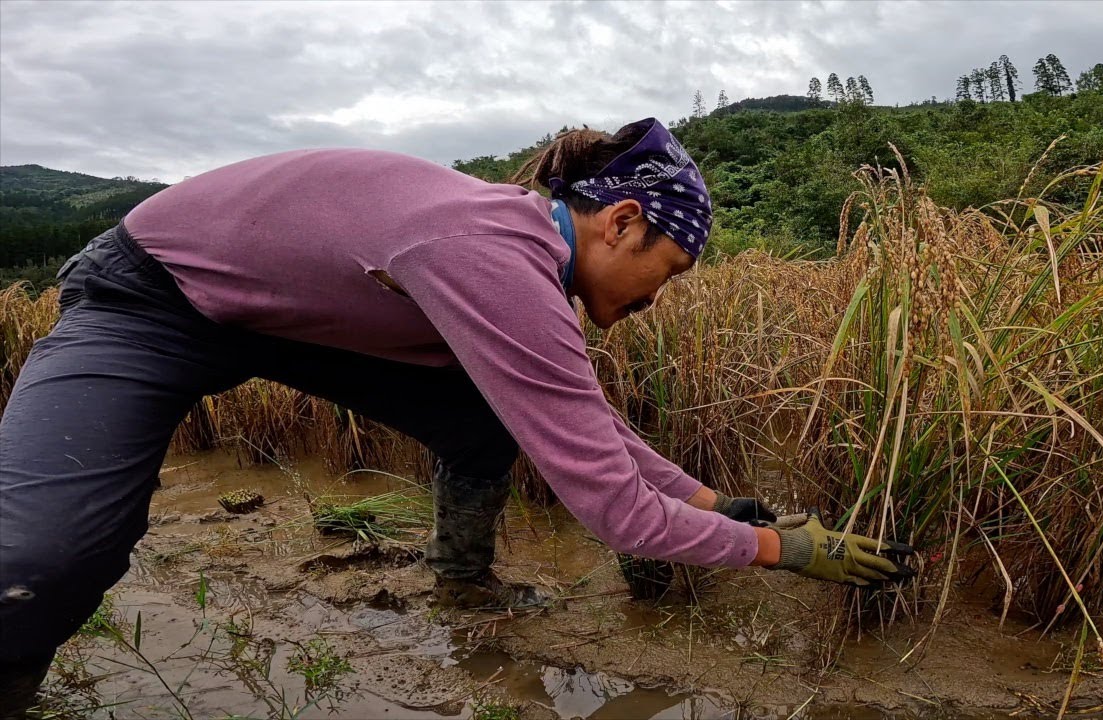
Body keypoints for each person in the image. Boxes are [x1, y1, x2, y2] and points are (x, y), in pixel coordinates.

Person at [0, 118, 913, 714]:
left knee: (489, 415)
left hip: (285, 318)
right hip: (150, 300)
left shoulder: (523, 253)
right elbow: (615, 509)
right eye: (668, 272)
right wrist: (783, 550)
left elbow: (585, 424)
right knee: (44, 556)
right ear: (622, 222)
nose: (658, 298)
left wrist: (716, 504)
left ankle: (465, 592)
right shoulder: (492, 255)